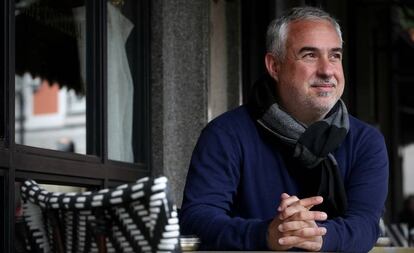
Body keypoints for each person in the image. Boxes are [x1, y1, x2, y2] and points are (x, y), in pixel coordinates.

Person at [179, 6, 389, 253]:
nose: (327, 70)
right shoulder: (226, 134)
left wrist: (316, 236)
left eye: (335, 55)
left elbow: (365, 224)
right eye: (310, 55)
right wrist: (265, 234)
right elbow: (196, 218)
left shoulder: (366, 141)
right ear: (274, 66)